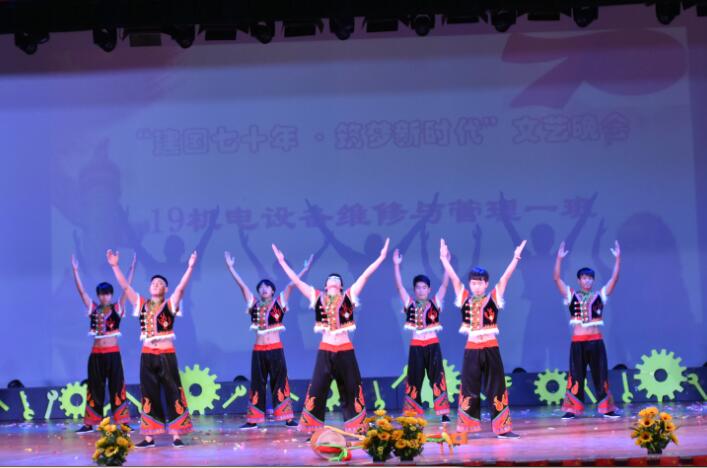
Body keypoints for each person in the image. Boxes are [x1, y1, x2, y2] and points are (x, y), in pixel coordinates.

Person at [271, 238, 390, 434]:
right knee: (317, 388)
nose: (333, 280)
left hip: (345, 349)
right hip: (326, 349)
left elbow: (365, 275)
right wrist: (282, 261)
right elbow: (296, 281)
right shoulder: (317, 296)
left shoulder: (349, 296)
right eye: (330, 279)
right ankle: (312, 429)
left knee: (352, 387)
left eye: (337, 279)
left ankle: (357, 427)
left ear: (341, 286)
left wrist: (381, 257)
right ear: (325, 286)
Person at [107, 249, 197, 448]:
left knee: (173, 391)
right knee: (149, 394)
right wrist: (115, 266)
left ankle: (176, 435)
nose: (156, 284)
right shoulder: (141, 304)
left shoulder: (170, 304)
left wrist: (190, 267)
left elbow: (181, 288)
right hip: (147, 354)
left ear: (166, 288)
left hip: (166, 354)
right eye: (153, 283)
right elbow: (125, 286)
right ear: (149, 288)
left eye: (160, 283)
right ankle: (149, 437)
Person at [440, 238, 526, 439]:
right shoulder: (464, 297)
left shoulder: (493, 297)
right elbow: (454, 279)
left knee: (497, 387)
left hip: (490, 347)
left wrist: (515, 258)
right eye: (473, 283)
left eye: (480, 283)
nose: (476, 286)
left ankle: (503, 429)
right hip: (472, 348)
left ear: (486, 284)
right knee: (469, 387)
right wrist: (444, 259)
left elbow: (505, 277)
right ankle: (466, 427)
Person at [224, 250, 314, 429]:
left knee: (280, 381)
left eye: (267, 287)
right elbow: (242, 286)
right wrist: (231, 268)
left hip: (275, 348)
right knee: (257, 383)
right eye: (261, 287)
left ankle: (287, 418)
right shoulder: (254, 304)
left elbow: (292, 284)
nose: (264, 289)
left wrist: (305, 269)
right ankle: (253, 420)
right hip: (259, 350)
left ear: (273, 290)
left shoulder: (280, 302)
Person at [553, 240, 621, 420]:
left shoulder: (599, 295)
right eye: (584, 278)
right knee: (576, 376)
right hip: (578, 343)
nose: (587, 281)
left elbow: (614, 279)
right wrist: (559, 259)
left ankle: (607, 408)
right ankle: (572, 409)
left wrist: (618, 259)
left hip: (596, 341)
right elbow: (557, 279)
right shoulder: (571, 295)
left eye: (590, 278)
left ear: (593, 280)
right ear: (579, 280)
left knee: (600, 375)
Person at [71, 253, 136, 434]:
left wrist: (131, 269)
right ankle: (90, 423)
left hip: (113, 354)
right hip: (96, 355)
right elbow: (82, 292)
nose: (104, 297)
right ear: (98, 295)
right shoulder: (93, 308)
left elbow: (126, 288)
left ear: (111, 295)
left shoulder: (118, 307)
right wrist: (75, 271)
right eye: (102, 294)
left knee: (117, 387)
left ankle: (123, 422)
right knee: (94, 388)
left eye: (107, 294)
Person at [392, 248, 451, 422]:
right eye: (418, 287)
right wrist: (396, 265)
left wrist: (446, 263)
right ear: (414, 289)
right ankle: (413, 413)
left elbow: (445, 285)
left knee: (437, 377)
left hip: (432, 345)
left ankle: (444, 413)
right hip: (416, 346)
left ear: (429, 289)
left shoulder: (435, 302)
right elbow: (399, 286)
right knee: (414, 379)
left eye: (424, 287)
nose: (421, 290)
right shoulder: (409, 303)